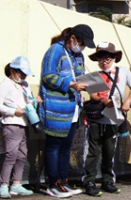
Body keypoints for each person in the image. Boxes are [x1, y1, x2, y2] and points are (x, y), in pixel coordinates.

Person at [38, 24, 95, 198]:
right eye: (82, 42)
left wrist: (87, 84)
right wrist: (71, 84)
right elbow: (48, 76)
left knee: (65, 147)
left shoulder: (78, 55)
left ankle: (63, 181)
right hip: (56, 107)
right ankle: (53, 183)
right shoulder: (55, 50)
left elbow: (79, 75)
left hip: (73, 106)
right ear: (72, 38)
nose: (83, 47)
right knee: (54, 146)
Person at [82, 42, 131, 197]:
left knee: (109, 150)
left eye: (107, 57)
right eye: (101, 58)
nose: (104, 61)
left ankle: (108, 180)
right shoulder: (95, 75)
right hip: (98, 117)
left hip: (114, 117)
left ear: (114, 57)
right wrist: (102, 100)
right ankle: (90, 181)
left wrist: (127, 101)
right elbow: (92, 94)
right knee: (93, 151)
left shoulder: (124, 71)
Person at [0, 56, 37, 198]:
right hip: (12, 123)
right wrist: (13, 111)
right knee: (11, 155)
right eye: (21, 72)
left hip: (25, 122)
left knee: (22, 154)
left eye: (25, 73)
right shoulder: (5, 84)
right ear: (12, 70)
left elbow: (28, 100)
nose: (23, 76)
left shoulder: (25, 84)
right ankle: (4, 184)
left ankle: (16, 184)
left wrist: (35, 101)